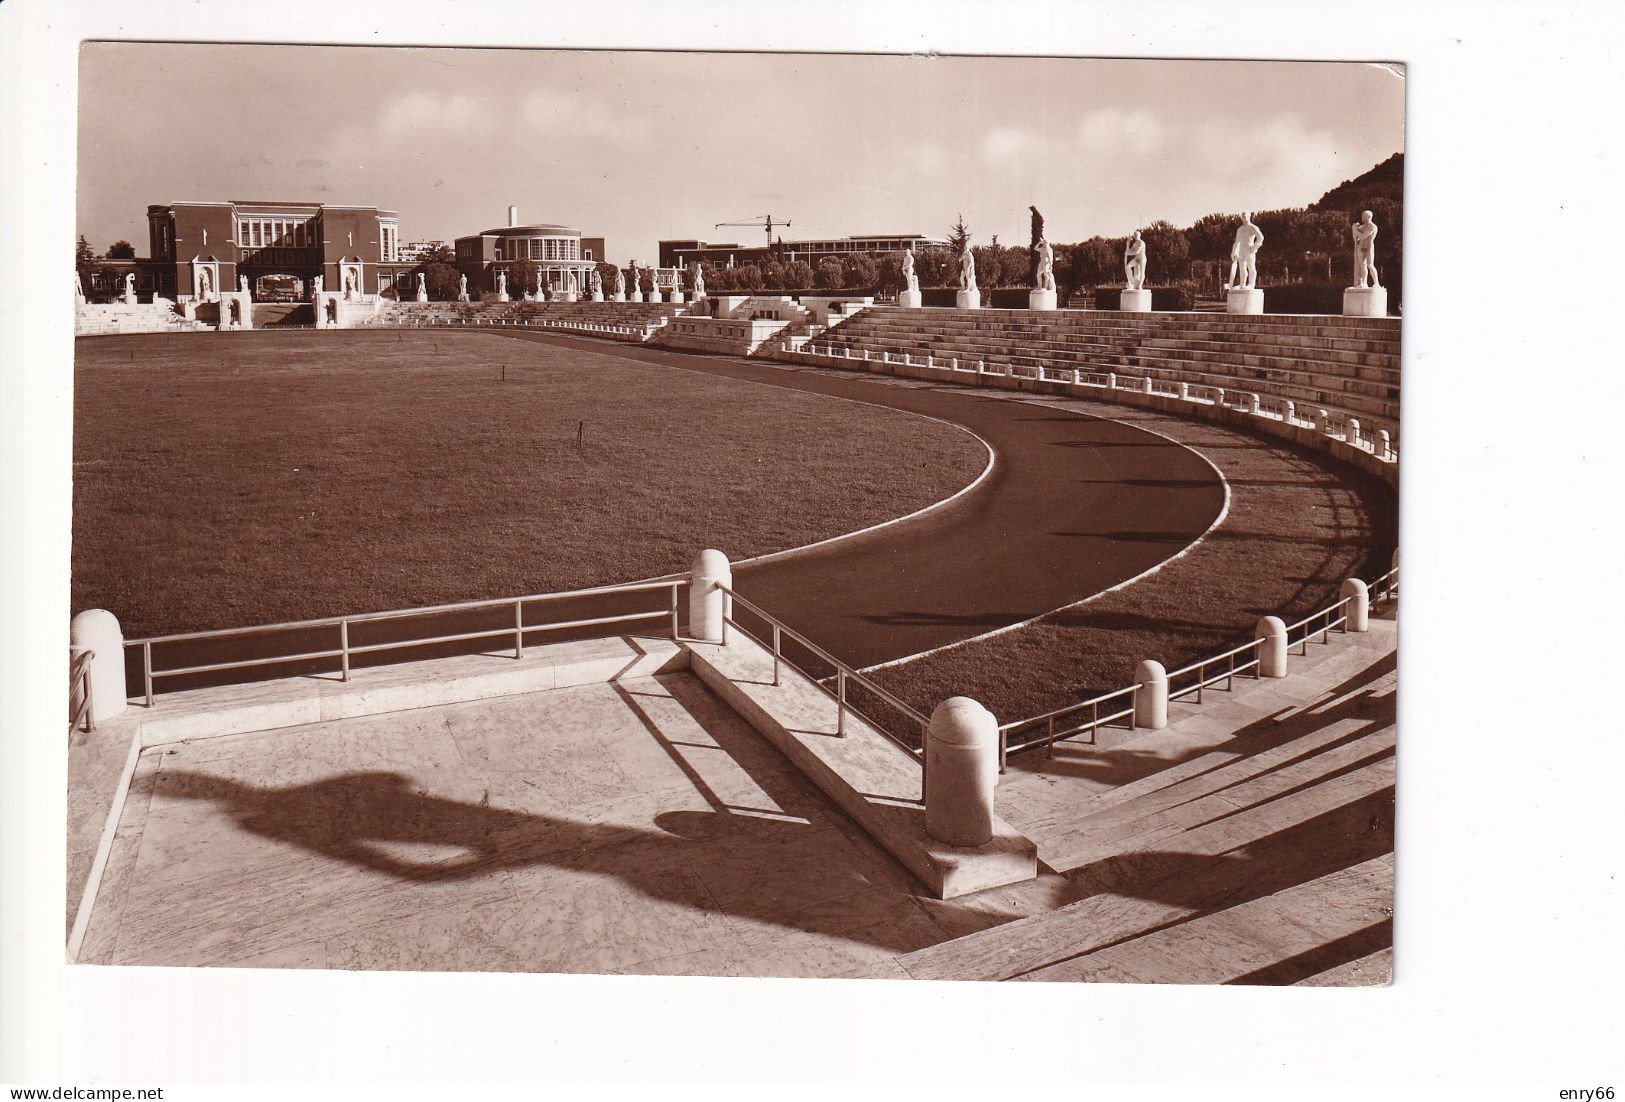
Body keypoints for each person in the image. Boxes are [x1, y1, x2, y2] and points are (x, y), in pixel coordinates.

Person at [1227, 212, 1264, 290]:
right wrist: (1234, 252)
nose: (1244, 217)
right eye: (1243, 216)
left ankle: (1251, 284)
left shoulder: (1253, 227)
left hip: (1250, 249)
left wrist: (1254, 247)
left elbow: (1260, 237)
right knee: (1242, 268)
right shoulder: (1240, 229)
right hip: (1241, 250)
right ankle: (1242, 284)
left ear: (1249, 216)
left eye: (1245, 216)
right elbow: (1237, 242)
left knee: (1251, 267)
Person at [1351, 210, 1380, 288]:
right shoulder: (1361, 227)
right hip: (1361, 246)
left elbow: (1364, 236)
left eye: (1364, 216)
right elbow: (1355, 240)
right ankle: (1364, 283)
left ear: (1369, 217)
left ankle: (1376, 283)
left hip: (1369, 246)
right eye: (1362, 215)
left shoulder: (1372, 227)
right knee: (1362, 265)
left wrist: (1355, 230)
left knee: (1370, 265)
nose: (1362, 217)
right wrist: (1354, 230)